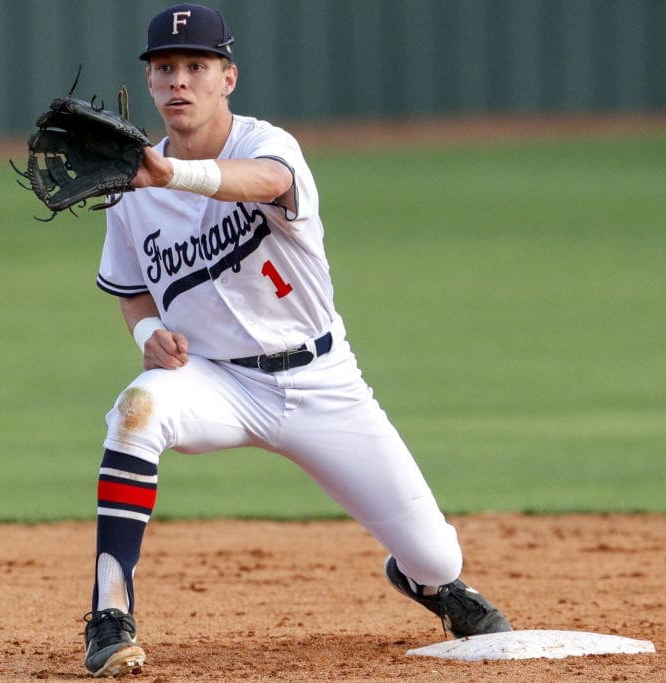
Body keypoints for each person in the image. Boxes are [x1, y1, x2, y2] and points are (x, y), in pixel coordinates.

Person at [83, 3, 512, 677]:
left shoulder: (266, 143)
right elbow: (129, 284)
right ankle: (110, 614)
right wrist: (147, 331)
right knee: (136, 411)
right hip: (217, 382)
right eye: (165, 68)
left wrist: (173, 176)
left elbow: (270, 183)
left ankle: (428, 581)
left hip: (322, 381)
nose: (179, 81)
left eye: (197, 65)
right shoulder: (133, 187)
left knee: (438, 555)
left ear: (228, 77)